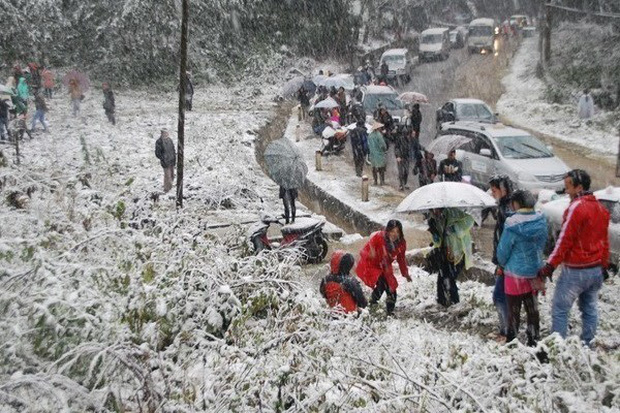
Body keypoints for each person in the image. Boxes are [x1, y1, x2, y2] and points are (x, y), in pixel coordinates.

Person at [538, 169, 610, 346]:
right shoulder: (600, 208)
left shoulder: (577, 207)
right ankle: (588, 343)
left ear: (579, 187)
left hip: (576, 271)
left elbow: (564, 240)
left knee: (561, 308)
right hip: (595, 270)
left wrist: (550, 265)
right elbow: (604, 241)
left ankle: (558, 347)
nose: (566, 190)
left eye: (568, 186)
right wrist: (603, 264)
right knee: (590, 308)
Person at [496, 189, 547, 346]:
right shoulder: (541, 221)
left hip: (515, 274)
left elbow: (503, 250)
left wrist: (501, 264)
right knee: (532, 310)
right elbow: (543, 244)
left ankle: (513, 341)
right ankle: (533, 340)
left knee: (514, 311)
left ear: (516, 203)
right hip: (535, 272)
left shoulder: (512, 224)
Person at [356, 220, 411, 315]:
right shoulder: (379, 237)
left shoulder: (401, 243)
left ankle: (389, 311)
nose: (395, 234)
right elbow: (365, 251)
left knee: (392, 287)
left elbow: (401, 259)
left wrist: (405, 274)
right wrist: (371, 253)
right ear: (388, 231)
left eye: (397, 232)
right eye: (392, 231)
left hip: (385, 266)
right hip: (371, 265)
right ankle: (370, 307)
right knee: (382, 285)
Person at [427, 208, 474, 307]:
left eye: (437, 209)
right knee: (441, 279)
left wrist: (455, 228)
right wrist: (435, 236)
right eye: (433, 210)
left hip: (459, 252)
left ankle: (455, 303)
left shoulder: (453, 212)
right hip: (445, 254)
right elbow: (438, 241)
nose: (435, 212)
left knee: (449, 278)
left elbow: (470, 220)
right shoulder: (432, 220)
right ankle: (442, 302)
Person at [489, 175, 514, 340]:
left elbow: (506, 239)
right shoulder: (505, 207)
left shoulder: (507, 211)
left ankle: (507, 332)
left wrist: (501, 262)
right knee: (505, 296)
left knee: (500, 296)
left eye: (494, 190)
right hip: (507, 261)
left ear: (503, 190)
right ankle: (506, 330)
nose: (492, 194)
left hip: (507, 262)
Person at [367, 121, 387, 185]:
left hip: (372, 154)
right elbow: (383, 145)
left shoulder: (370, 136)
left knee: (374, 168)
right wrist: (384, 149)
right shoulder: (379, 135)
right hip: (379, 153)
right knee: (381, 168)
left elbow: (368, 145)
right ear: (378, 128)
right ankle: (382, 181)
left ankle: (375, 181)